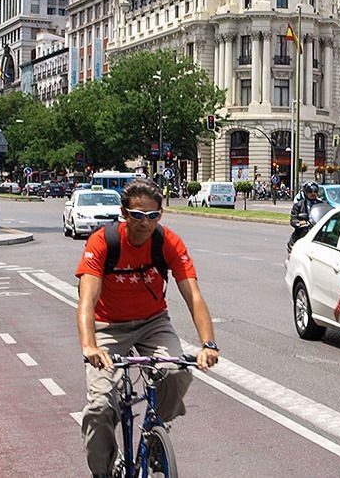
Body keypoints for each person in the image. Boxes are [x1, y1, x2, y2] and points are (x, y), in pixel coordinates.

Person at [76, 177, 218, 478]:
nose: (145, 223)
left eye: (153, 216)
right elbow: (87, 299)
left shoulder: (167, 242)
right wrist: (89, 345)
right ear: (125, 213)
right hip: (108, 326)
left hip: (153, 323)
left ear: (160, 215)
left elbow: (193, 294)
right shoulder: (104, 242)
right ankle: (102, 472)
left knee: (176, 373)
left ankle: (156, 431)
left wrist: (208, 344)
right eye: (138, 216)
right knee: (100, 408)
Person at [288, 181, 324, 251]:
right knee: (295, 250)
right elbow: (293, 220)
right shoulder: (298, 205)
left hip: (318, 231)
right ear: (305, 192)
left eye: (315, 191)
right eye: (310, 191)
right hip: (303, 232)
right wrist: (301, 222)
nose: (313, 193)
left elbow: (326, 215)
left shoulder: (321, 204)